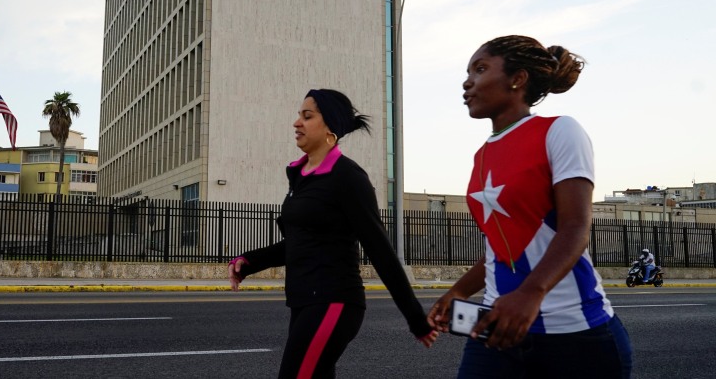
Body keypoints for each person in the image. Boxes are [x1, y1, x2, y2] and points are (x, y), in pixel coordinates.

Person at [426, 35, 633, 378]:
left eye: (480, 69)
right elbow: (501, 248)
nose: (468, 81)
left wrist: (530, 293)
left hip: (577, 336)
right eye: (468, 72)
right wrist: (458, 291)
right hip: (497, 329)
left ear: (517, 79)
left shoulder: (559, 130)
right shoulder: (482, 154)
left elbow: (575, 228)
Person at [229, 88, 437, 378]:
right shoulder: (300, 177)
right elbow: (301, 242)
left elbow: (380, 249)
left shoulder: (348, 177)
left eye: (307, 116)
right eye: (298, 115)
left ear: (330, 127)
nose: (296, 123)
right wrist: (249, 261)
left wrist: (416, 318)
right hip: (303, 301)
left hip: (334, 302)